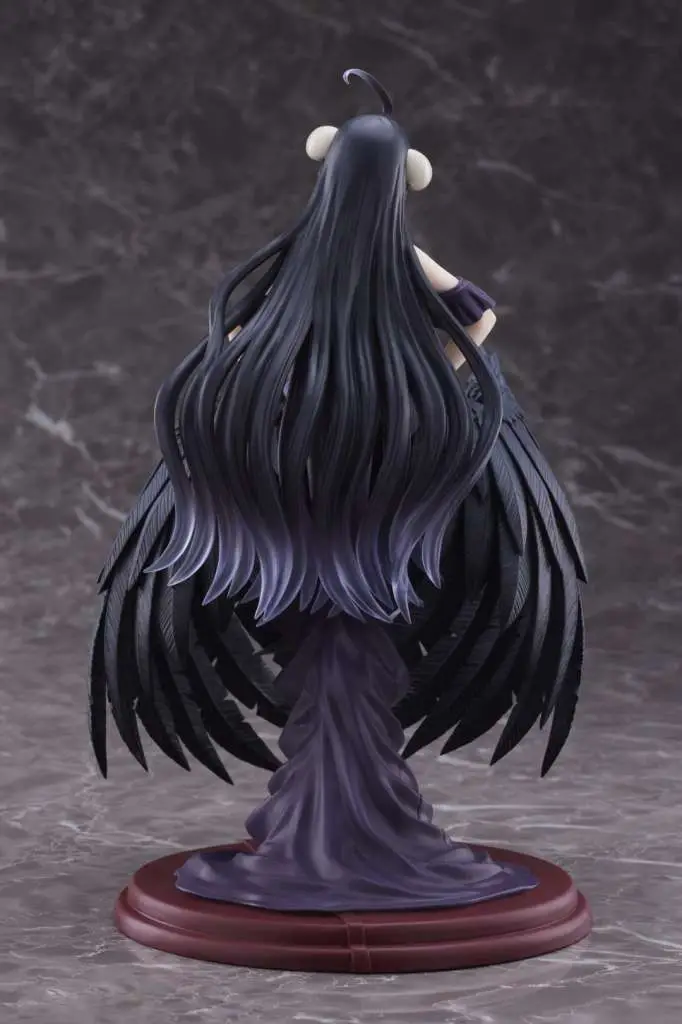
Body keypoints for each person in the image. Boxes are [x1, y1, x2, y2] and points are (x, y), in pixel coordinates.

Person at [90, 69, 587, 912]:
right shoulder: (397, 267)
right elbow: (476, 316)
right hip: (382, 484)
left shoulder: (294, 268)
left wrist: (275, 405)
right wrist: (437, 386)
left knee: (332, 645)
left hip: (311, 484)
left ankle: (330, 822)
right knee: (353, 644)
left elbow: (232, 345)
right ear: (402, 183)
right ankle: (348, 821)